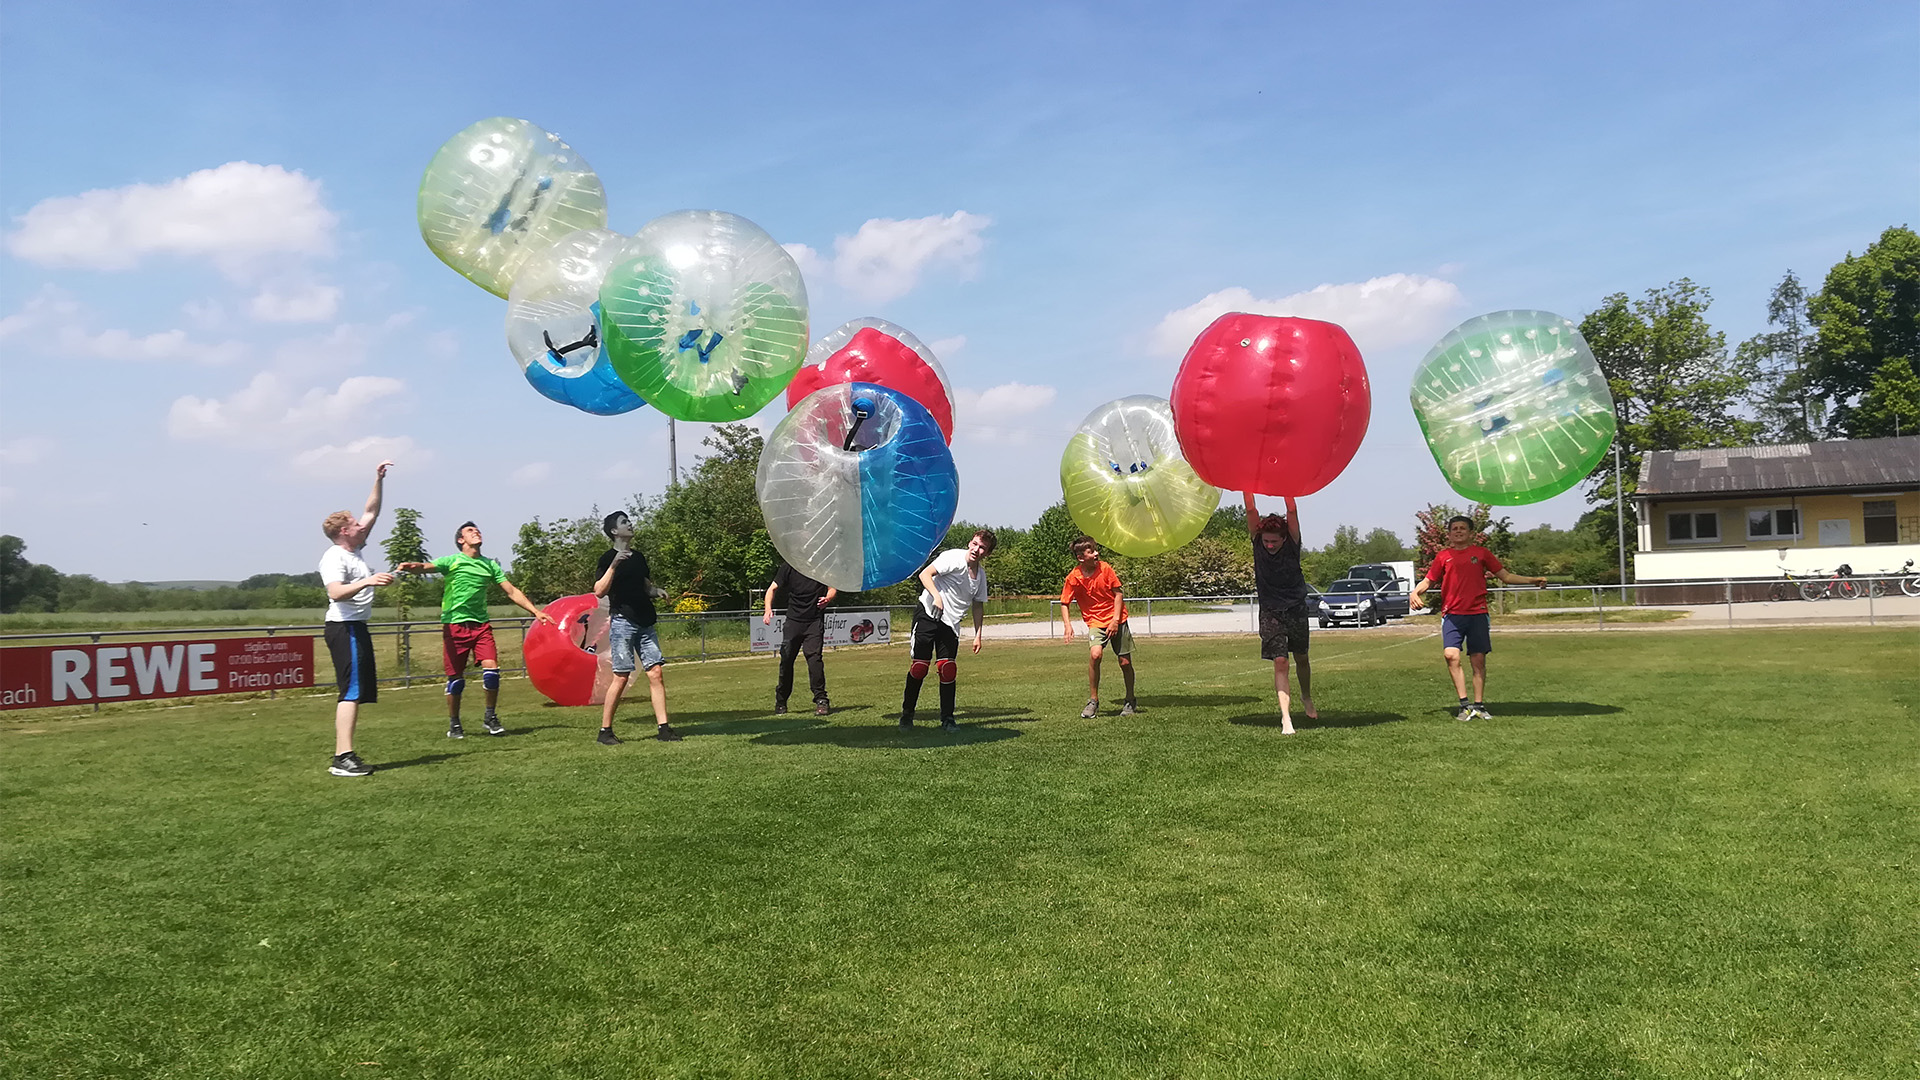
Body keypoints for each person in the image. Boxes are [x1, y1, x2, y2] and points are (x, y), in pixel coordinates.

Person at [395, 522, 553, 739]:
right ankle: (454, 723)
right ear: (461, 540)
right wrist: (414, 567)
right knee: (456, 680)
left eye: (477, 529)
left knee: (492, 671)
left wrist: (535, 611)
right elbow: (427, 567)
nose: (476, 531)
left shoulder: (490, 565)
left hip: (481, 626)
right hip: (454, 626)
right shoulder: (452, 561)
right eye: (470, 531)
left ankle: (490, 717)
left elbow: (511, 591)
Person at [1410, 515, 1547, 721]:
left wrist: (1533, 580)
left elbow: (1506, 576)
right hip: (1452, 615)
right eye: (1454, 528)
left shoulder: (1481, 553)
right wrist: (1414, 592)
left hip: (1477, 614)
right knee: (1451, 656)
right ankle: (1464, 705)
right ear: (1449, 534)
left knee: (1478, 660)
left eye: (1462, 528)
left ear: (1471, 533)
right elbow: (1429, 580)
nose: (1458, 531)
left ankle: (1479, 706)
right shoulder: (1443, 556)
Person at [318, 460, 396, 776]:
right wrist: (368, 580)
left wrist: (378, 479)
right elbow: (336, 592)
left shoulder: (355, 549)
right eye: (354, 522)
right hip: (343, 627)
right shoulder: (334, 556)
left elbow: (372, 511)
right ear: (343, 531)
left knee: (357, 692)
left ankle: (346, 754)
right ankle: (342, 757)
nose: (361, 524)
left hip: (356, 627)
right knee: (350, 692)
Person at [591, 512, 679, 744]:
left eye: (628, 521)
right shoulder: (607, 558)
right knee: (621, 676)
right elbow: (599, 590)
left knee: (656, 673)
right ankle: (605, 731)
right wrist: (614, 564)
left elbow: (645, 587)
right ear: (614, 531)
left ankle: (664, 729)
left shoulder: (639, 558)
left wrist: (656, 591)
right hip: (622, 622)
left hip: (645, 621)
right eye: (624, 522)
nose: (630, 524)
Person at [901, 529, 995, 731]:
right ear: (970, 543)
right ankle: (907, 716)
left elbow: (978, 605)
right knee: (920, 667)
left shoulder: (980, 577)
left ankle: (948, 719)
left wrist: (978, 635)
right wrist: (936, 596)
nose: (976, 550)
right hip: (928, 613)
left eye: (982, 548)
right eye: (975, 544)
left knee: (947, 669)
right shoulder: (953, 557)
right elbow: (925, 574)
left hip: (950, 623)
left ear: (987, 554)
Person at [1245, 492, 1315, 734]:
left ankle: (1306, 695)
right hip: (1271, 610)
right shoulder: (1257, 542)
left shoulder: (1293, 543)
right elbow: (1251, 510)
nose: (1270, 545)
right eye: (1266, 542)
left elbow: (1292, 513)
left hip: (1296, 607)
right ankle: (1286, 718)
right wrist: (1247, 486)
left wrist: (1287, 486)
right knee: (1280, 661)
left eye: (1274, 541)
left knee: (1302, 657)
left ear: (1285, 539)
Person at [1059, 536, 1136, 718]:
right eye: (1091, 551)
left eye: (1095, 549)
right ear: (1080, 557)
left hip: (1118, 619)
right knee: (1095, 654)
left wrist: (1115, 621)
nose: (1096, 553)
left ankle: (1130, 700)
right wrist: (1067, 625)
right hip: (1095, 622)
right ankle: (1093, 701)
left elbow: (1118, 594)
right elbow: (1064, 602)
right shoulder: (1074, 577)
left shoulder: (1106, 569)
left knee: (1125, 662)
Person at [763, 562, 838, 716]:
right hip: (793, 622)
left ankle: (821, 700)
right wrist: (767, 609)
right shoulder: (788, 567)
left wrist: (827, 599)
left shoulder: (821, 567)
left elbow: (832, 589)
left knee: (814, 659)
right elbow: (772, 589)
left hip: (814, 621)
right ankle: (781, 701)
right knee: (787, 660)